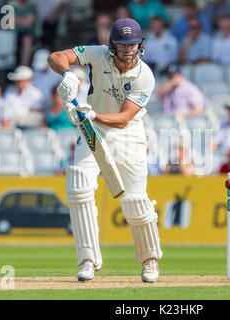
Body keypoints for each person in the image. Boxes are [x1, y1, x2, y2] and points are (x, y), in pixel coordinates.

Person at [47, 18, 162, 282]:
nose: (128, 52)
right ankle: (88, 259)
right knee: (78, 186)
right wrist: (67, 73)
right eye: (122, 46)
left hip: (128, 134)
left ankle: (149, 259)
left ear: (140, 45)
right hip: (93, 130)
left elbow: (123, 118)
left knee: (135, 200)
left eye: (133, 45)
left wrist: (93, 115)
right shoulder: (98, 54)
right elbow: (56, 56)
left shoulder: (145, 75)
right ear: (112, 45)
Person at [14, 0, 38, 66]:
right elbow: (7, 21)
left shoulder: (31, 7)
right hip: (13, 34)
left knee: (27, 39)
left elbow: (28, 23)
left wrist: (15, 19)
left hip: (27, 33)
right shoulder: (12, 7)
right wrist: (23, 19)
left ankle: (23, 67)